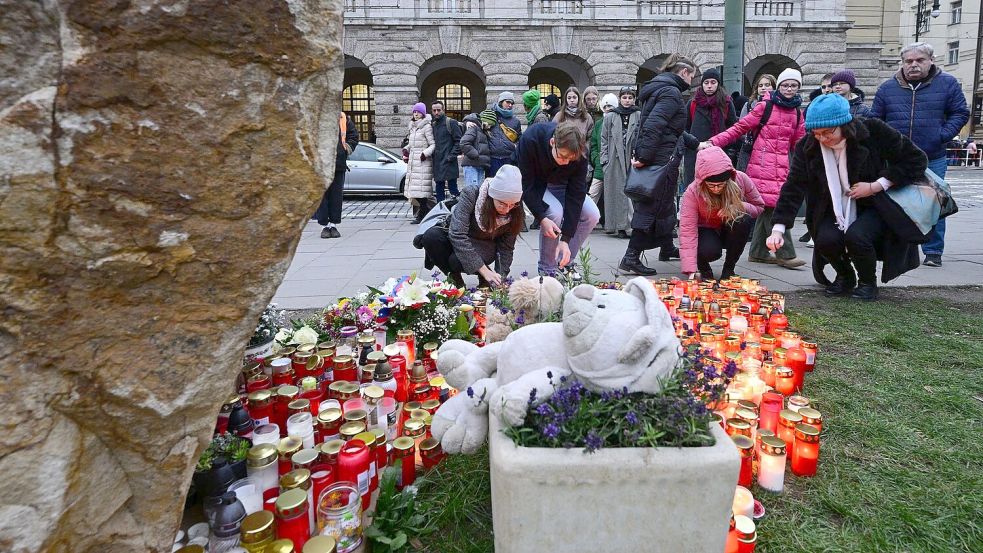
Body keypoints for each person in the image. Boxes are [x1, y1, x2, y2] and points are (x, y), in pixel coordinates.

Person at [767, 94, 928, 301]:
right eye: (816, 133)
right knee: (825, 238)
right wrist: (778, 228)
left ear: (844, 124)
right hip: (832, 207)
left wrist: (876, 185)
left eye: (828, 132)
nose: (822, 139)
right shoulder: (808, 146)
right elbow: (794, 186)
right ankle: (845, 276)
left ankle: (867, 282)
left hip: (875, 204)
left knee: (857, 236)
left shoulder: (873, 131)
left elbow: (916, 159)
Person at [870, 42, 970, 267]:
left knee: (934, 202)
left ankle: (933, 251)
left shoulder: (948, 84)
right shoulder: (887, 88)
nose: (913, 65)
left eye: (919, 60)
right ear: (902, 64)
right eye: (908, 61)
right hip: (897, 158)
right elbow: (875, 119)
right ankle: (895, 250)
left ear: (931, 60)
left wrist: (941, 135)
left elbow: (960, 112)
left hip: (932, 155)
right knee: (894, 202)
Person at [703, 68, 807, 269]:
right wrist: (714, 142)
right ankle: (786, 254)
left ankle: (758, 251)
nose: (789, 89)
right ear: (779, 86)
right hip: (761, 165)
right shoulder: (765, 106)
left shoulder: (796, 112)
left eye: (793, 85)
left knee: (766, 206)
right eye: (785, 85)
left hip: (782, 166)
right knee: (775, 206)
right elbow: (740, 127)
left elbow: (799, 142)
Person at [623, 53, 701, 275]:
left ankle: (666, 247)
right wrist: (644, 158)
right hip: (659, 159)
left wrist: (695, 144)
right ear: (684, 73)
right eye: (692, 76)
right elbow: (654, 126)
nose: (691, 82)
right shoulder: (671, 92)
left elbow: (669, 129)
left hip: (661, 156)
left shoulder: (661, 88)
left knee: (666, 205)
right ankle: (630, 257)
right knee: (650, 207)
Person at [514, 121, 599, 275]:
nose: (566, 163)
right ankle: (547, 269)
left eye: (570, 160)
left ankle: (563, 262)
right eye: (562, 156)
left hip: (563, 184)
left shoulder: (580, 152)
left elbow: (576, 194)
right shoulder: (532, 139)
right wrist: (541, 218)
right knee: (554, 213)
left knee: (592, 215)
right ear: (552, 142)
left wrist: (565, 239)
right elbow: (527, 185)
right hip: (538, 183)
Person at [421, 165, 524, 287]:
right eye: (501, 203)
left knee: (456, 261)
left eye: (511, 205)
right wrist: (484, 270)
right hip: (461, 236)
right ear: (492, 196)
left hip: (486, 244)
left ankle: (484, 277)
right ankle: (455, 279)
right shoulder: (472, 194)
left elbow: (506, 248)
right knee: (431, 237)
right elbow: (457, 233)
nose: (506, 210)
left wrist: (500, 277)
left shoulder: (516, 210)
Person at [680, 146, 764, 280]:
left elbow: (759, 206)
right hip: (705, 229)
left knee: (743, 220)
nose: (716, 189)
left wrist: (738, 206)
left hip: (730, 230)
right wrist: (690, 270)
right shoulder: (692, 192)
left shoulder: (741, 179)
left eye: (721, 185)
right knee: (708, 251)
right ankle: (705, 269)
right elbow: (687, 231)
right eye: (711, 185)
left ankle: (729, 269)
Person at [683, 67, 738, 186]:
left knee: (717, 187)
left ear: (718, 84)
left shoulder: (726, 103)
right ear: (702, 84)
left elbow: (733, 129)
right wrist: (692, 144)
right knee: (695, 189)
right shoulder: (693, 103)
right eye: (706, 83)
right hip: (695, 153)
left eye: (713, 82)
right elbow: (684, 127)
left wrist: (729, 151)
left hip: (720, 152)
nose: (709, 86)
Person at [601, 86, 640, 238]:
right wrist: (605, 160)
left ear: (634, 99)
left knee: (631, 193)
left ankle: (631, 225)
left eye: (630, 97)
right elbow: (604, 138)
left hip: (632, 158)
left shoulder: (638, 114)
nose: (627, 100)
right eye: (624, 97)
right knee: (616, 194)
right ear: (620, 99)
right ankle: (618, 226)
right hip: (614, 159)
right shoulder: (611, 116)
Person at [317, 111, 359, 238]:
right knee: (322, 197)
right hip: (321, 164)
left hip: (338, 163)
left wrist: (346, 148)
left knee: (336, 197)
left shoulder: (343, 118)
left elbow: (354, 136)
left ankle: (333, 225)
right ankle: (325, 226)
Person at [405, 102, 435, 224]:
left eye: (418, 112)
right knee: (414, 191)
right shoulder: (412, 127)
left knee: (421, 192)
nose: (416, 114)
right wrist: (406, 149)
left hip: (423, 162)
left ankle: (422, 215)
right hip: (413, 162)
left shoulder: (426, 126)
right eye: (414, 112)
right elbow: (412, 144)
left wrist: (425, 153)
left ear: (422, 113)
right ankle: (424, 213)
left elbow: (433, 144)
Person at [589, 93, 617, 213]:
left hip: (615, 164)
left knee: (615, 195)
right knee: (592, 194)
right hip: (600, 164)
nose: (607, 109)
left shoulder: (618, 122)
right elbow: (594, 143)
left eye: (610, 106)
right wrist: (596, 158)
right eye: (605, 107)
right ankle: (584, 220)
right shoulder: (599, 123)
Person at [430, 101, 462, 202]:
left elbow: (459, 141)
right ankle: (441, 213)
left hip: (449, 163)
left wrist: (451, 156)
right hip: (438, 163)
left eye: (438, 110)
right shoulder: (433, 125)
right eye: (434, 110)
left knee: (453, 191)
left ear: (443, 110)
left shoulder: (451, 122)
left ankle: (457, 213)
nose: (436, 112)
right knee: (439, 191)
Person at [488, 92, 523, 178]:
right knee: (492, 184)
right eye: (507, 102)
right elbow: (475, 119)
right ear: (501, 102)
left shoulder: (516, 121)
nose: (510, 105)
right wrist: (469, 121)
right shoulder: (490, 116)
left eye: (512, 103)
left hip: (509, 158)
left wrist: (515, 148)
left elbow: (519, 139)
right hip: (492, 158)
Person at [459, 112, 491, 188]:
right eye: (489, 123)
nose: (490, 126)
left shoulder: (483, 130)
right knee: (472, 192)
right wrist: (475, 154)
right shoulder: (474, 127)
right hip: (472, 165)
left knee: (477, 192)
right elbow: (464, 143)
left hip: (479, 164)